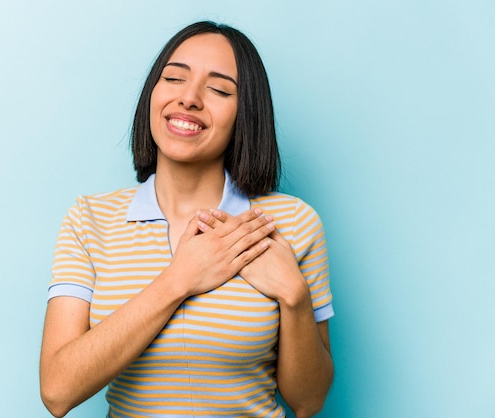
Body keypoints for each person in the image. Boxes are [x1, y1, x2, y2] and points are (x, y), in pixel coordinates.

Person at [40, 21, 334, 418]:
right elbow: (58, 391)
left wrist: (295, 299)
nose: (189, 99)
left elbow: (308, 401)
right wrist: (179, 279)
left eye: (218, 89)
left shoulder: (291, 223)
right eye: (174, 79)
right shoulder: (89, 219)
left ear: (244, 114)